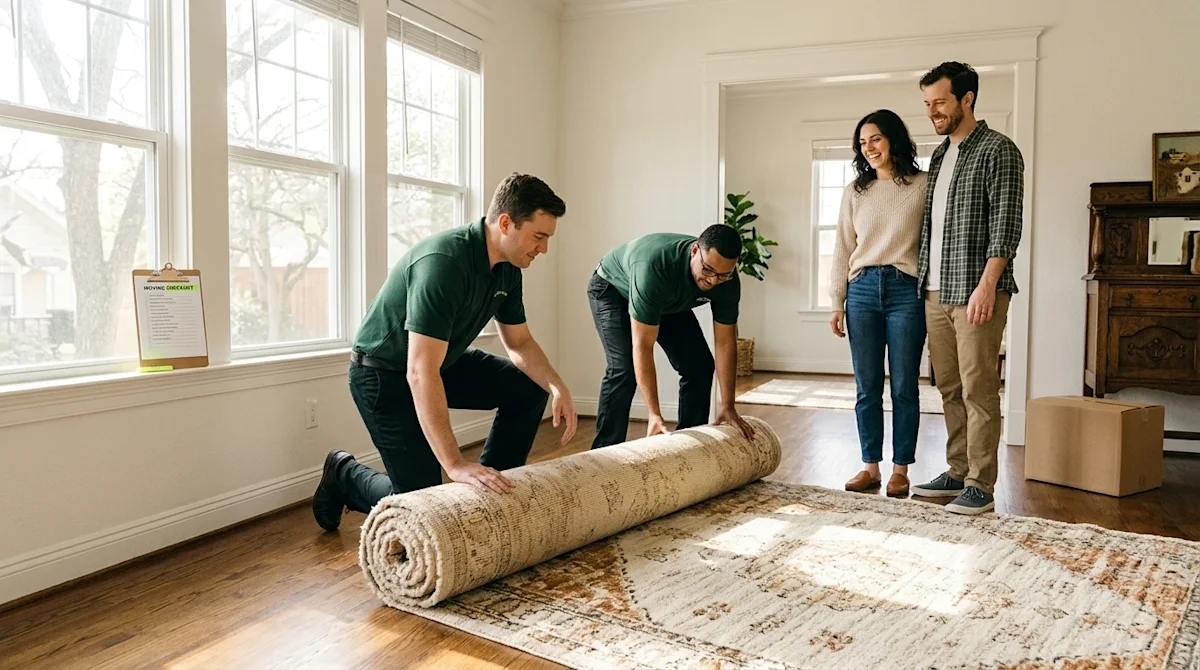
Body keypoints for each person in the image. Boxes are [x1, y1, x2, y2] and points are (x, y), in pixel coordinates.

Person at [311, 173, 578, 531]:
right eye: (539, 236)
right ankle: (343, 475)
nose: (543, 249)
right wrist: (454, 464)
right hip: (382, 373)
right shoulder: (445, 262)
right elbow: (419, 372)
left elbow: (520, 343)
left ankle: (490, 491)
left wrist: (557, 385)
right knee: (425, 502)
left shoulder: (509, 270)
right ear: (505, 223)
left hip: (441, 361)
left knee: (530, 388)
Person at [909, 62, 1024, 515]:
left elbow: (1006, 224)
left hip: (978, 291)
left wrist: (988, 285)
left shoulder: (999, 150)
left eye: (939, 102)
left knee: (979, 389)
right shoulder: (939, 156)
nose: (932, 111)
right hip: (935, 290)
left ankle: (981, 483)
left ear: (967, 99)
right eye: (927, 104)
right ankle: (957, 470)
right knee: (949, 388)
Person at [829, 109, 928, 499]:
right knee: (866, 387)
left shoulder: (922, 185)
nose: (869, 148)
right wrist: (836, 301)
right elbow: (842, 245)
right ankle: (870, 466)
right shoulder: (855, 191)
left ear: (893, 140)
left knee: (904, 386)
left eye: (876, 139)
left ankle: (900, 469)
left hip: (906, 291)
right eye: (863, 141)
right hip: (863, 291)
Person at [587, 225, 755, 449]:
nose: (713, 281)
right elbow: (643, 345)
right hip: (613, 288)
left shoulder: (727, 281)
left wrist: (728, 405)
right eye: (708, 270)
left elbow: (725, 342)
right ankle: (603, 454)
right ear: (695, 250)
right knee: (623, 369)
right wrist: (654, 414)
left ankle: (688, 446)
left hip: (667, 300)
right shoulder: (655, 267)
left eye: (723, 275)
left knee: (699, 366)